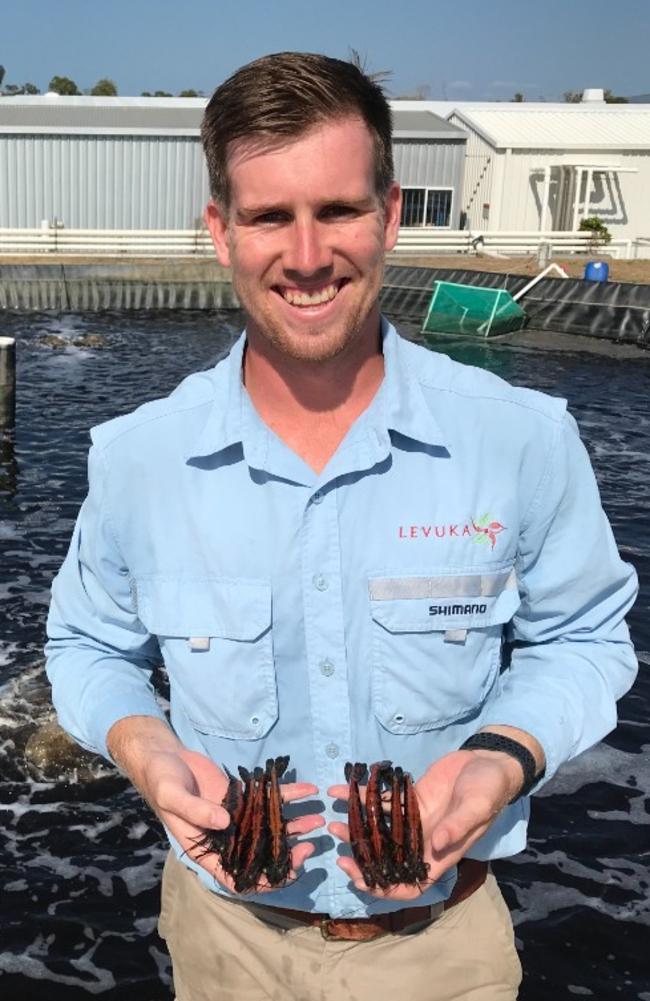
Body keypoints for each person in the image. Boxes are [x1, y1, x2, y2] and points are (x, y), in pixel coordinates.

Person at [46, 52, 638, 1001]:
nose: (309, 254)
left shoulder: (521, 439)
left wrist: (503, 754)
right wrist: (146, 748)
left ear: (391, 214)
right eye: (270, 216)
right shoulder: (138, 458)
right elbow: (85, 643)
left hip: (442, 947)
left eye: (339, 210)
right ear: (221, 231)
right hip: (223, 937)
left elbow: (583, 637)